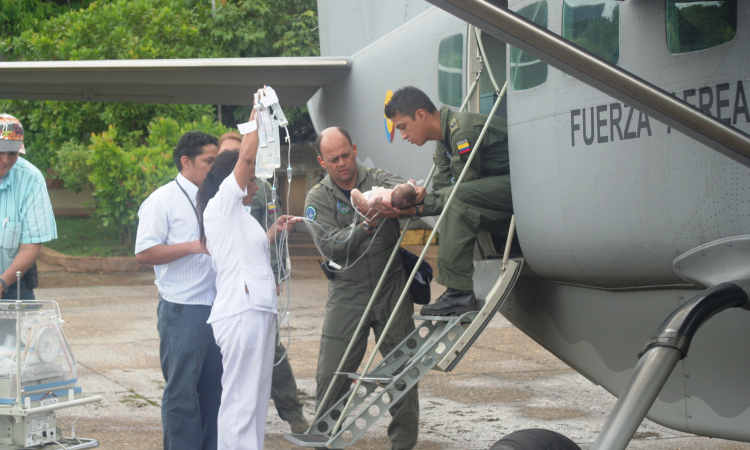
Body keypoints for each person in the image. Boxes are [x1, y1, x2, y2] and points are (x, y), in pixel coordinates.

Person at [304, 127, 419, 450]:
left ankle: (403, 445)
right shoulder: (316, 198)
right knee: (332, 375)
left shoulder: (379, 178)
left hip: (390, 285)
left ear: (354, 149)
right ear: (322, 162)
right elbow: (332, 246)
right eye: (333, 159)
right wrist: (367, 224)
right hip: (347, 292)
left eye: (346, 155)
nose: (342, 163)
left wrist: (410, 194)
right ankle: (324, 441)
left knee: (403, 371)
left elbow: (409, 199)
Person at [197, 116, 299, 449]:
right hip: (242, 312)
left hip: (258, 308)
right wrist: (255, 122)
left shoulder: (238, 216)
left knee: (254, 400)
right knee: (241, 401)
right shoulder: (221, 206)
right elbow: (245, 158)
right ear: (234, 180)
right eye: (251, 181)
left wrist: (273, 231)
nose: (255, 187)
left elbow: (248, 250)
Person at [383, 86, 513, 316]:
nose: (403, 136)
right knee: (454, 201)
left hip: (522, 187)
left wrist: (413, 209)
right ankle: (456, 291)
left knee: (458, 200)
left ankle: (459, 293)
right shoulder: (443, 142)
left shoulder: (461, 132)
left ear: (421, 115)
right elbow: (442, 195)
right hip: (501, 191)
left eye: (403, 127)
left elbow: (457, 193)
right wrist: (414, 204)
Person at [216, 132, 309, 434]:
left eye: (238, 154)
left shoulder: (260, 190)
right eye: (225, 155)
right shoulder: (214, 196)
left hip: (255, 288)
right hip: (226, 290)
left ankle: (292, 412)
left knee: (272, 354)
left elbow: (266, 239)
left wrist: (276, 275)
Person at [134, 131, 221, 450]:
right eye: (208, 161)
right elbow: (144, 253)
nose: (213, 169)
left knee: (215, 394)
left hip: (218, 309)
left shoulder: (216, 197)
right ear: (186, 161)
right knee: (182, 396)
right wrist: (194, 247)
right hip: (183, 311)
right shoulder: (162, 200)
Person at [0, 113, 57, 300]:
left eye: (13, 153)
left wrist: (2, 283)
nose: (6, 161)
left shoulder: (31, 179)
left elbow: (29, 247)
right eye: (0, 152)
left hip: (14, 286)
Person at [350, 180, 417, 211]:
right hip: (371, 193)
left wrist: (374, 201)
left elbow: (371, 206)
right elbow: (401, 187)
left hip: (366, 201)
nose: (399, 184)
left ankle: (370, 200)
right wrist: (411, 184)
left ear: (392, 193)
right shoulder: (398, 193)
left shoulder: (385, 202)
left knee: (353, 191)